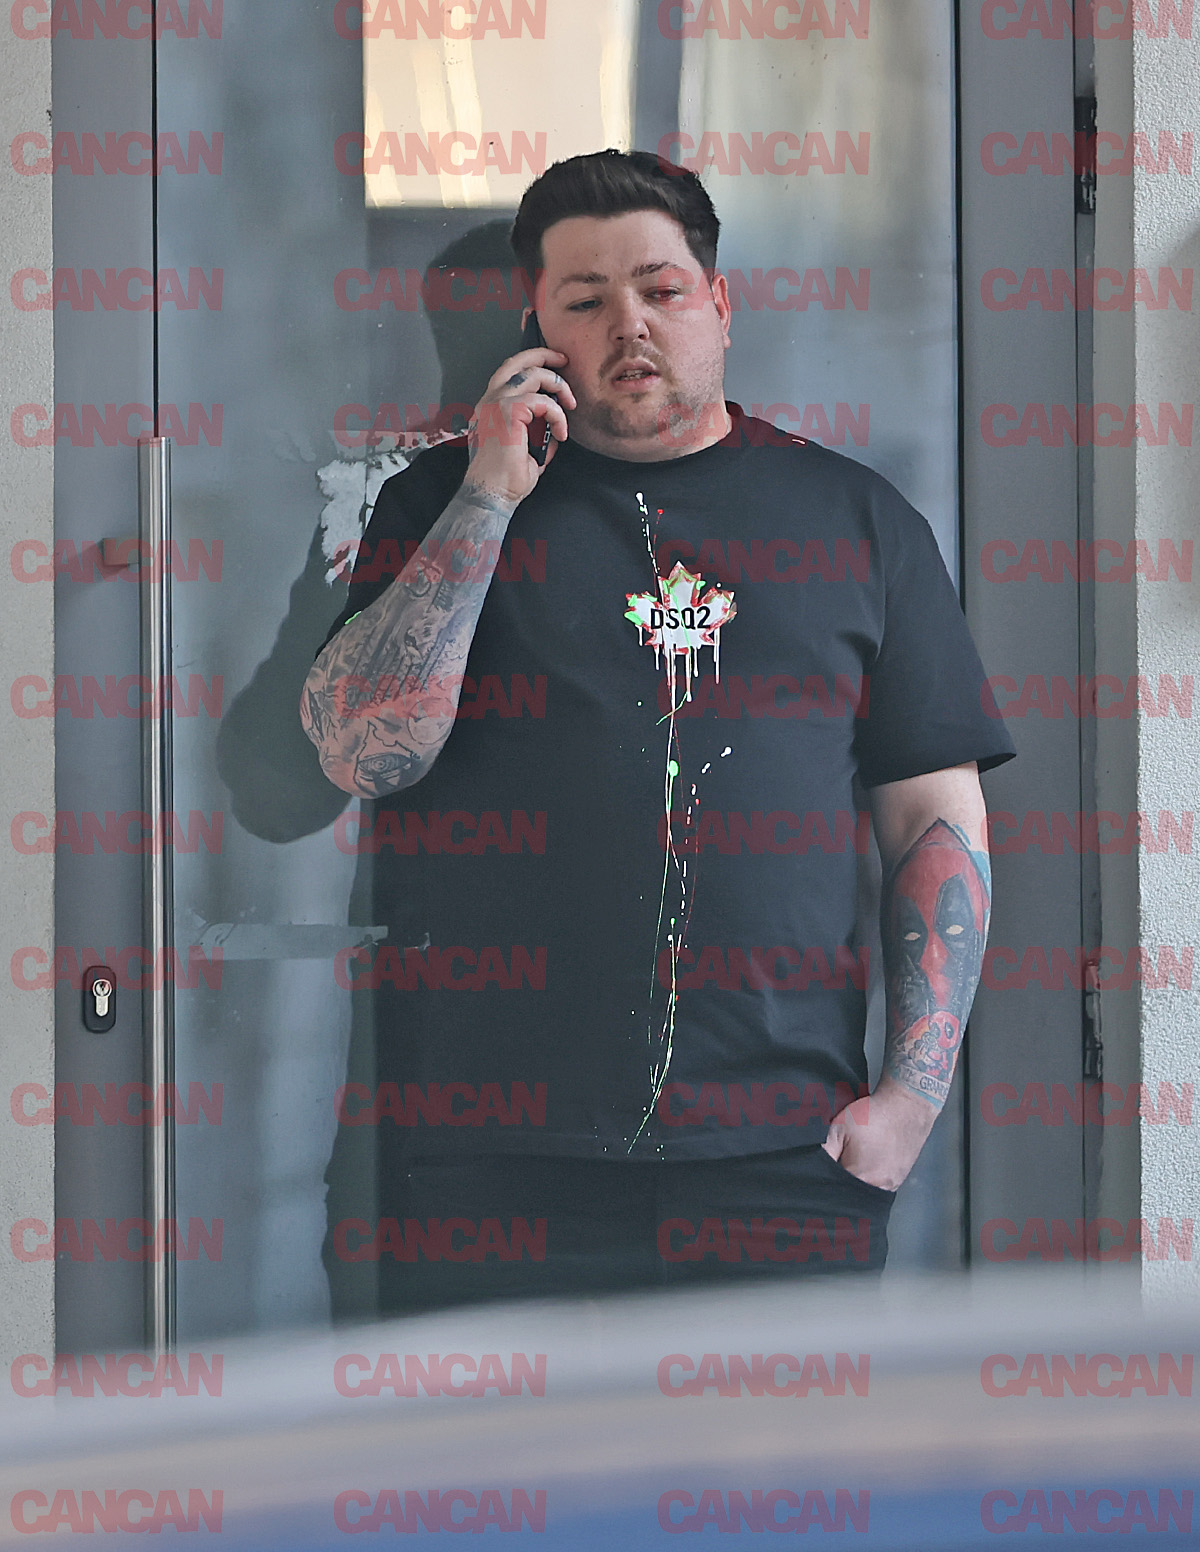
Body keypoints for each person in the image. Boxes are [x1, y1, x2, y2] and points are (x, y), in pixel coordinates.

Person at [301, 149, 1015, 1310]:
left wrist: (912, 1099)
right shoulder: (437, 505)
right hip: (486, 1163)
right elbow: (358, 750)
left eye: (661, 289)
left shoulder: (856, 521)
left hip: (782, 1162)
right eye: (585, 300)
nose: (628, 323)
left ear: (719, 305)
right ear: (536, 332)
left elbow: (935, 817)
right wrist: (488, 494)